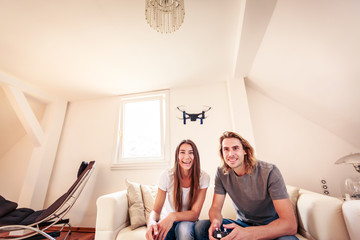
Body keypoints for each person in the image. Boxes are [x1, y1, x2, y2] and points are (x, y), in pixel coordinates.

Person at [194, 131, 298, 240]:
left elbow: (290, 225)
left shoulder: (270, 171)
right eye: (226, 149)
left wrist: (249, 233)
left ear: (245, 151)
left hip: (269, 227)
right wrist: (215, 222)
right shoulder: (221, 173)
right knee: (201, 227)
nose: (230, 154)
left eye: (235, 148)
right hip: (242, 224)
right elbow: (215, 208)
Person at [145, 139, 210, 240]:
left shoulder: (203, 177)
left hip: (188, 222)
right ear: (177, 156)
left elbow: (194, 214)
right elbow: (156, 211)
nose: (186, 157)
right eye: (182, 152)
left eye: (191, 153)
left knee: (183, 230)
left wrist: (173, 216)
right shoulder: (167, 176)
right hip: (168, 222)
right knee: (157, 235)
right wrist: (151, 222)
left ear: (195, 156)